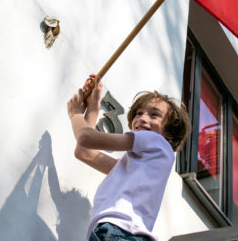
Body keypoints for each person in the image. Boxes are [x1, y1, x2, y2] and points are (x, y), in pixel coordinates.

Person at [67, 75, 190, 241]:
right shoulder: (133, 169)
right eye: (139, 113)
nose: (142, 118)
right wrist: (93, 106)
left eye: (154, 115)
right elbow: (84, 152)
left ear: (168, 133)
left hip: (120, 232)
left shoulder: (157, 141)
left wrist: (75, 113)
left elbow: (85, 139)